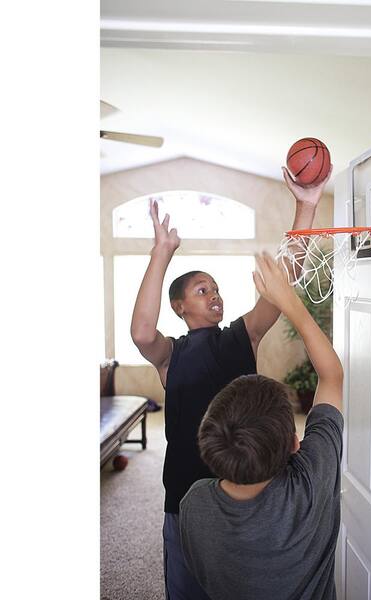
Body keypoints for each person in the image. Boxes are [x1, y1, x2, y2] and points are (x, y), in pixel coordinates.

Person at [130, 167, 331, 600]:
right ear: (179, 306)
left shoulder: (242, 335)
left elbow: (284, 287)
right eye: (202, 291)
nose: (214, 295)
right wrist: (162, 253)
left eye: (216, 289)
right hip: (184, 495)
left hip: (252, 490)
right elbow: (142, 333)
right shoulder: (171, 354)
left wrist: (306, 205)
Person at [179, 252, 344, 600]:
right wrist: (292, 304)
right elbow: (332, 375)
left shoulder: (194, 505)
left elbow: (331, 378)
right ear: (295, 442)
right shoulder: (310, 484)